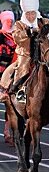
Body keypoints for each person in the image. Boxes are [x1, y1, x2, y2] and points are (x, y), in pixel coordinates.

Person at [0, 0, 49, 104]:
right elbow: (17, 37)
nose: (31, 16)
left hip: (44, 54)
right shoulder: (19, 24)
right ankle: (16, 91)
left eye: (33, 13)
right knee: (20, 69)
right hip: (26, 54)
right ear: (25, 12)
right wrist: (29, 32)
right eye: (28, 13)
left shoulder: (45, 21)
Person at [0, 10, 16, 145]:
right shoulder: (0, 36)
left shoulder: (16, 36)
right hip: (0, 69)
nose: (9, 22)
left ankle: (8, 131)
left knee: (11, 104)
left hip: (13, 71)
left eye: (11, 20)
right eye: (7, 20)